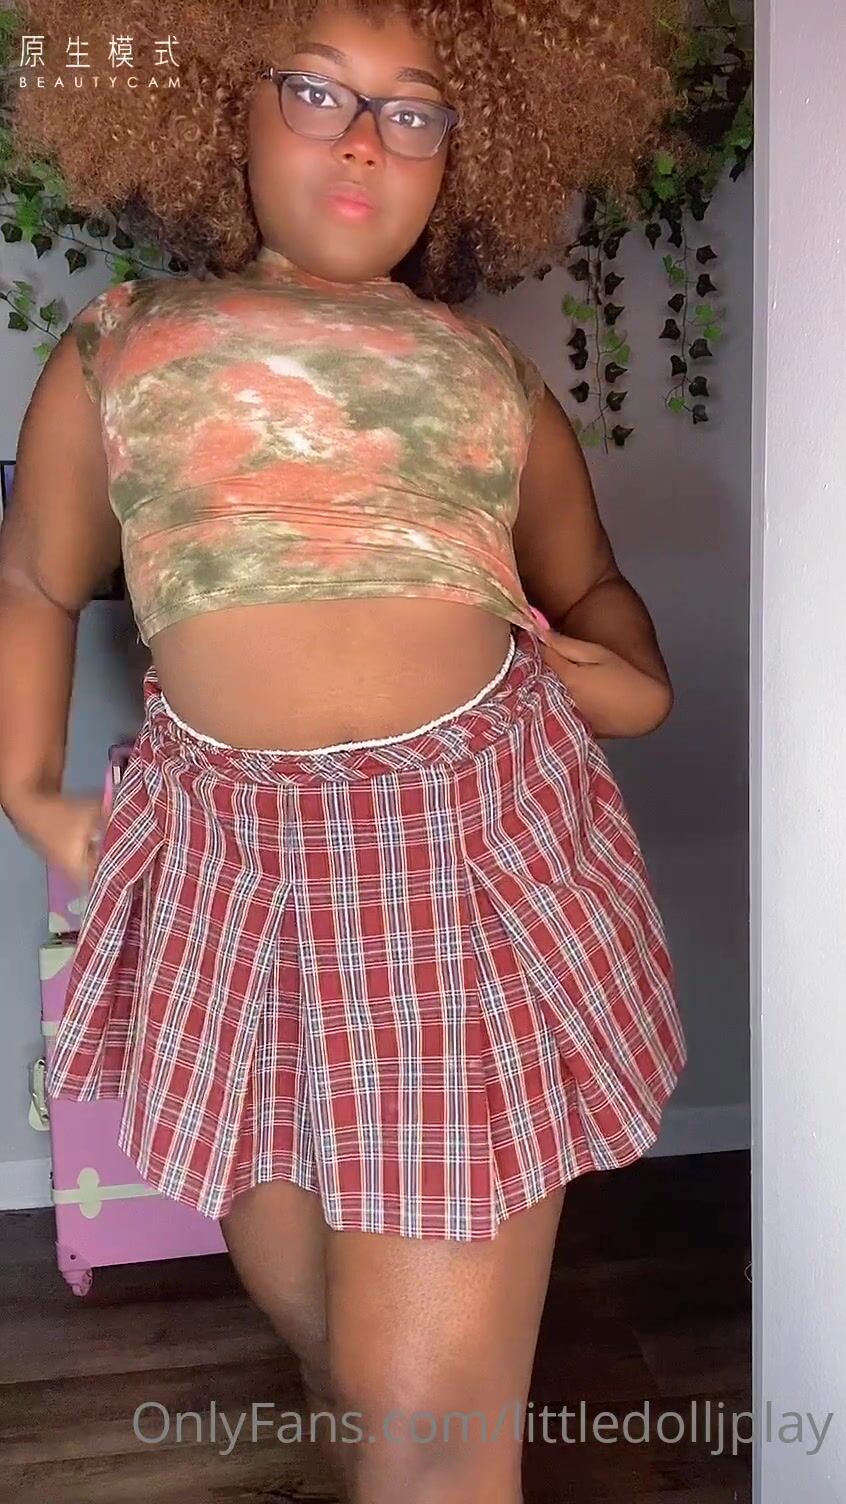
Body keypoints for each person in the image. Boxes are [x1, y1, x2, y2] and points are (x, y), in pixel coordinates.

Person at [1, 3, 686, 1500]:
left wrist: (632, 684)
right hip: (224, 869)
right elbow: (37, 578)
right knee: (321, 1326)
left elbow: (592, 588)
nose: (367, 141)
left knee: (427, 1435)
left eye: (413, 110)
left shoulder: (488, 373)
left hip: (461, 855)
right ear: (224, 109)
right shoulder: (121, 340)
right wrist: (26, 788)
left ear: (467, 150)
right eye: (317, 92)